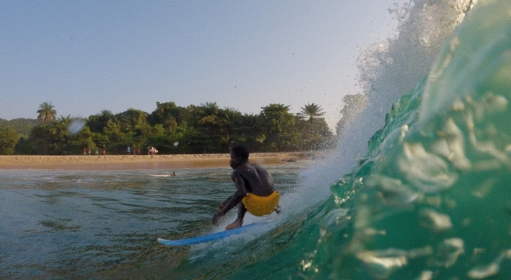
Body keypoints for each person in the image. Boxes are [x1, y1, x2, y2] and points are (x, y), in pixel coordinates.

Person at [212, 146, 280, 230]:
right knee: (250, 190)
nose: (230, 161)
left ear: (239, 159)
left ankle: (238, 220)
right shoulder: (258, 167)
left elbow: (241, 192)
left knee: (242, 193)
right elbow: (260, 188)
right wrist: (227, 201)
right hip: (273, 203)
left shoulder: (236, 172)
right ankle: (280, 211)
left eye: (232, 158)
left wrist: (222, 213)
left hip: (260, 206)